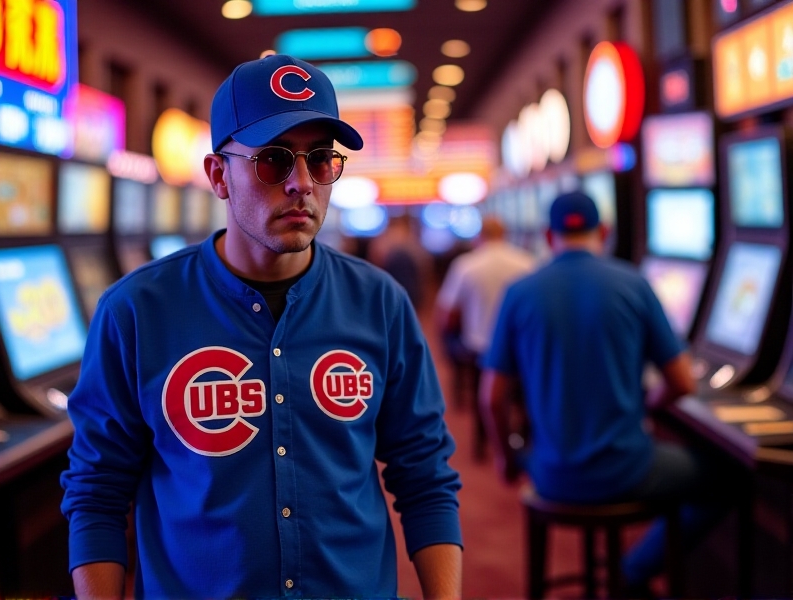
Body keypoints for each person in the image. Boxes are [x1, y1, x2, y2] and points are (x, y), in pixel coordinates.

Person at [60, 54, 462, 600]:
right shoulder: (135, 311)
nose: (301, 183)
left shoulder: (380, 303)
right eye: (273, 160)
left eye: (320, 160)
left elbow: (425, 477)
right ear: (219, 175)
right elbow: (98, 492)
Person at [480, 191, 735, 594]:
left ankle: (630, 572)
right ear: (604, 231)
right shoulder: (635, 283)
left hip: (548, 473)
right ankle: (633, 572)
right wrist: (647, 406)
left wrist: (507, 458)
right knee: (728, 477)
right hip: (626, 468)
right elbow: (683, 382)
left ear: (549, 235)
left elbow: (492, 398)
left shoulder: (520, 292)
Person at [435, 215, 536, 457]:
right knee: (525, 399)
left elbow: (447, 312)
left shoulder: (467, 264)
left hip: (480, 346)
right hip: (523, 347)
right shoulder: (527, 262)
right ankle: (524, 441)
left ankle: (482, 445)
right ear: (506, 234)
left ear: (480, 236)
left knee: (486, 398)